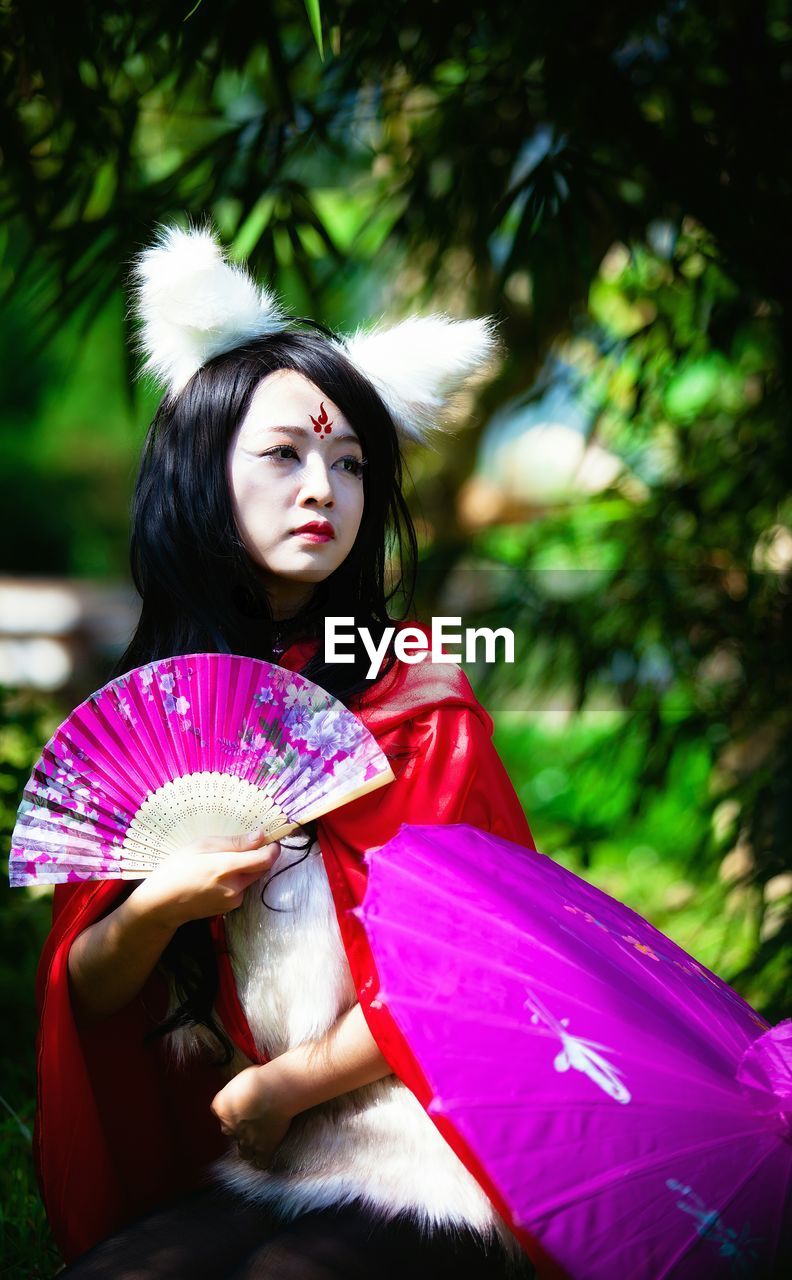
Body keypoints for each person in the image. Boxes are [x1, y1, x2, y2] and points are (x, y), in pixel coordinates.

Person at [34, 225, 539, 1279]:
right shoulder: (151, 716)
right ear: (197, 465)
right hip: (262, 1152)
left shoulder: (417, 695)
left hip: (436, 1140)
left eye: (351, 463)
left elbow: (473, 970)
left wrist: (290, 1082)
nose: (323, 488)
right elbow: (86, 990)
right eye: (285, 453)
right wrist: (163, 901)